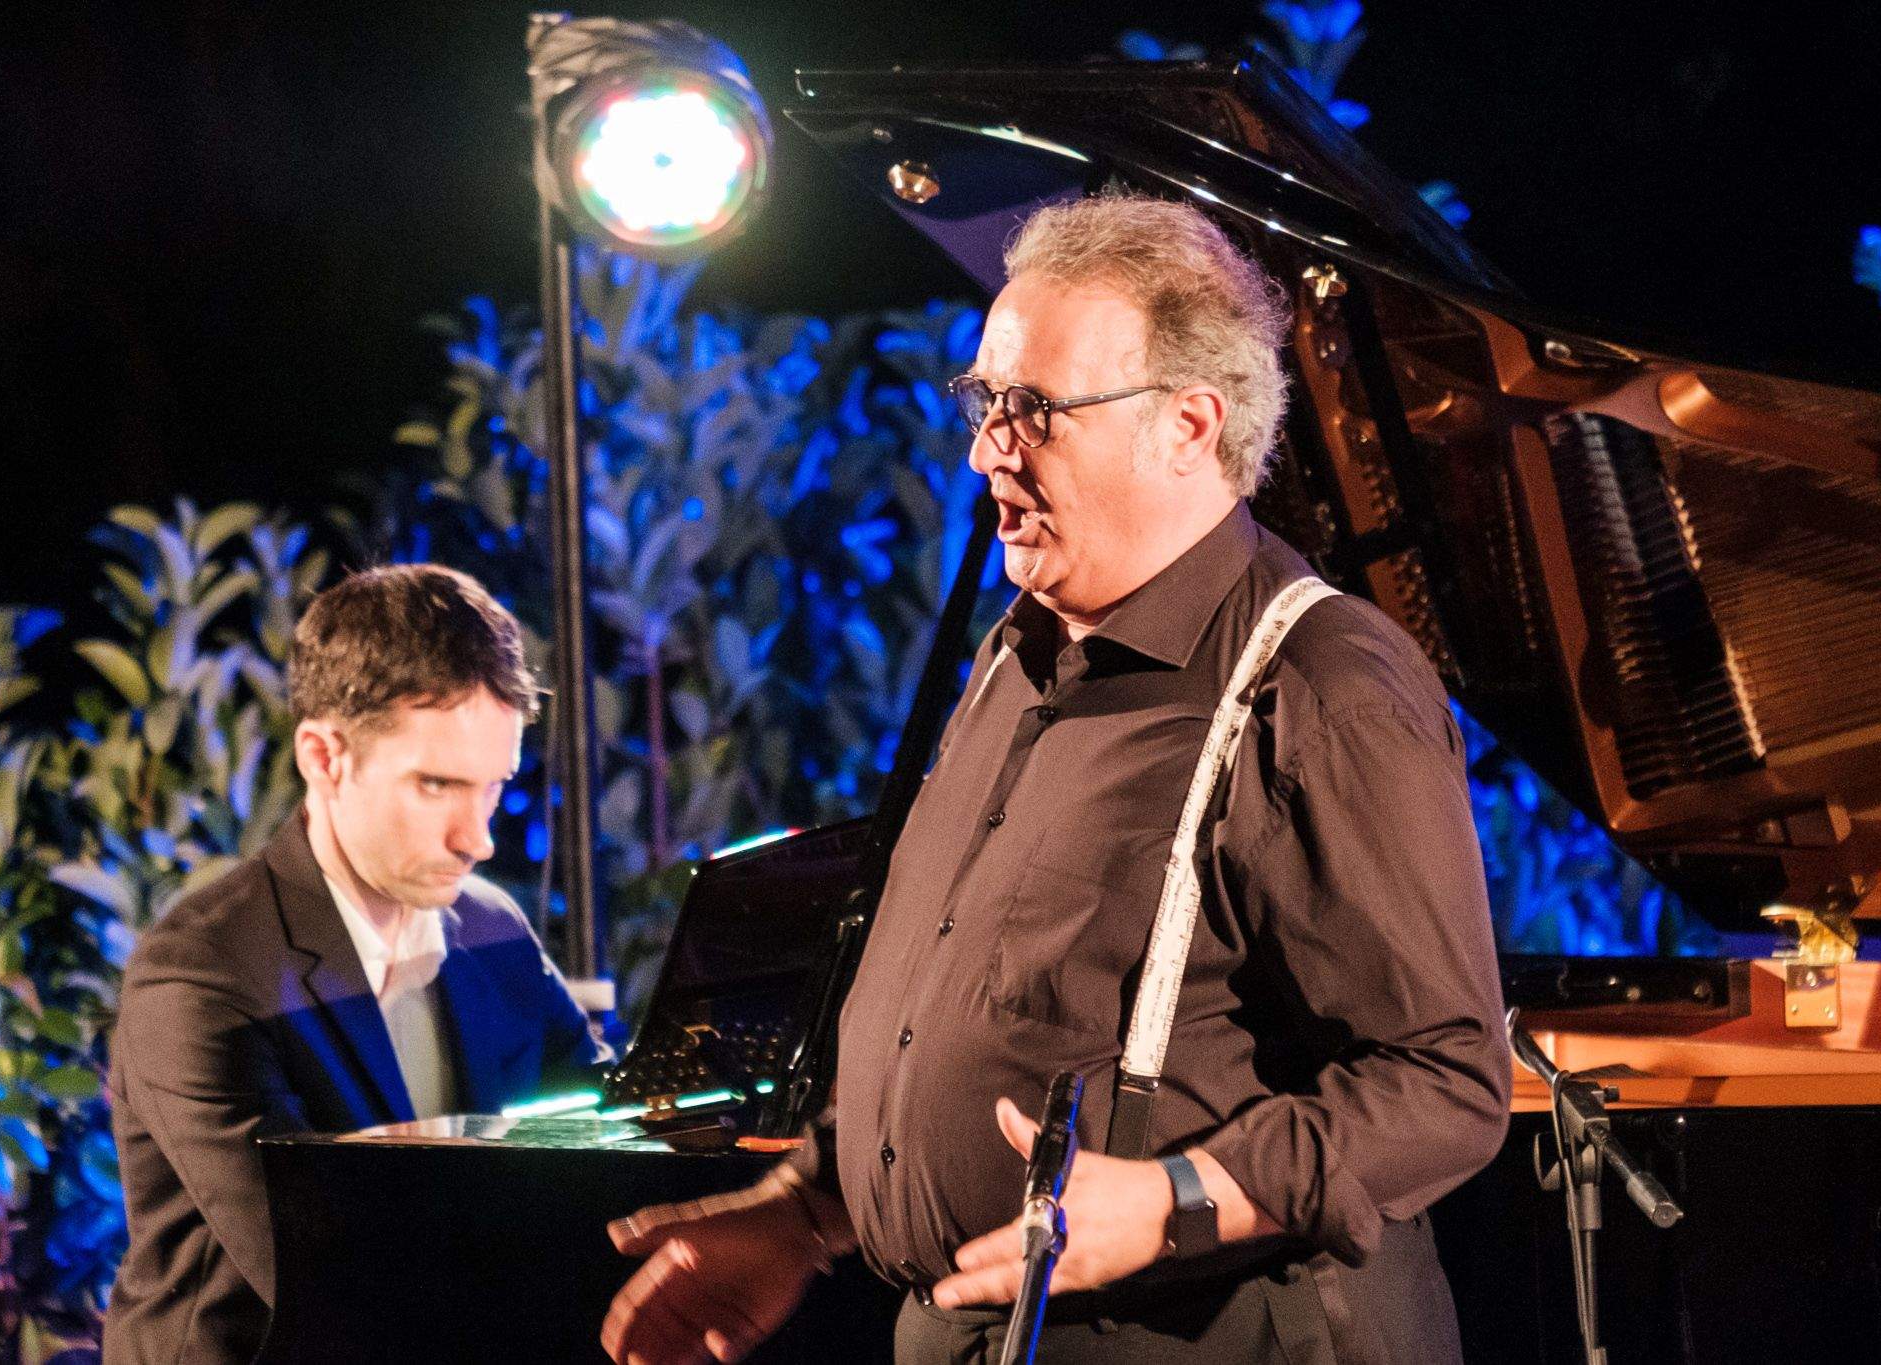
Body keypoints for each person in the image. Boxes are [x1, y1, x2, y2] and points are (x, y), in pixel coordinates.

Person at [600, 192, 1510, 1364]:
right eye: (983, 403)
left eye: (1031, 409)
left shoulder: (1319, 684)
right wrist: (805, 1216)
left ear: (1187, 427)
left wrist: (1180, 1197)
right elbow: (982, 1010)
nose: (987, 449)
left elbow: (1443, 1083)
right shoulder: (1018, 657)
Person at [105, 563, 609, 1365]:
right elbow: (330, 1279)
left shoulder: (492, 927)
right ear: (323, 756)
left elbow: (606, 1136)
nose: (477, 839)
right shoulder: (201, 974)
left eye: (495, 788)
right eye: (437, 784)